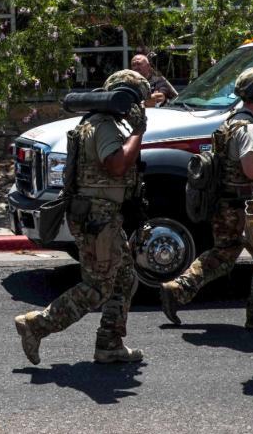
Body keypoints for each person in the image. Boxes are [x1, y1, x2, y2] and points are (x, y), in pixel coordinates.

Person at [13, 69, 150, 367]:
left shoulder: (94, 121)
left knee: (125, 280)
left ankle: (110, 344)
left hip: (101, 216)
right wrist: (139, 132)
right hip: (98, 218)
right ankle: (37, 325)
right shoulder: (104, 127)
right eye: (138, 102)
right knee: (98, 286)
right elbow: (115, 165)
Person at [159, 68, 253, 328]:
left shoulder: (230, 123)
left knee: (223, 255)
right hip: (245, 208)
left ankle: (178, 288)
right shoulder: (250, 129)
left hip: (225, 204)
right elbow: (249, 168)